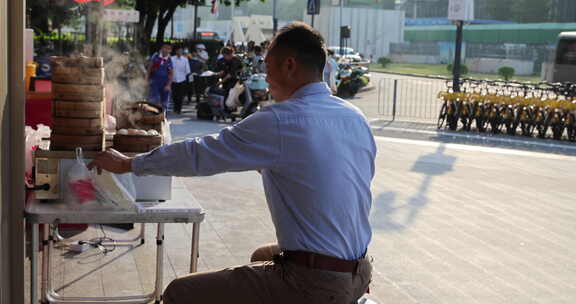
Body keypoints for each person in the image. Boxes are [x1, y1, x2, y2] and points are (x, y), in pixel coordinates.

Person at [87, 21, 376, 304]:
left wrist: (129, 164)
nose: (265, 74)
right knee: (263, 257)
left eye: (268, 65)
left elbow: (200, 154)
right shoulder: (354, 117)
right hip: (359, 270)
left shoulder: (280, 121)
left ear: (288, 66)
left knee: (180, 292)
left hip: (316, 284)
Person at [147, 43, 174, 110]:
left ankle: (163, 116)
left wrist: (168, 85)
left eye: (168, 49)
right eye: (165, 48)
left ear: (170, 50)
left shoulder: (170, 59)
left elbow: (171, 73)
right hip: (154, 81)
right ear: (161, 48)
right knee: (154, 100)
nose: (166, 50)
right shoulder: (155, 57)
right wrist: (146, 80)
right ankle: (153, 115)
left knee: (164, 102)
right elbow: (149, 69)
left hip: (165, 82)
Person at [170, 46, 191, 114]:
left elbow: (187, 71)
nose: (179, 52)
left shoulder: (185, 60)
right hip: (173, 80)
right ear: (176, 51)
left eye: (181, 51)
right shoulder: (171, 59)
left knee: (180, 95)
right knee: (174, 95)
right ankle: (175, 108)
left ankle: (179, 109)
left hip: (182, 80)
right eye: (178, 51)